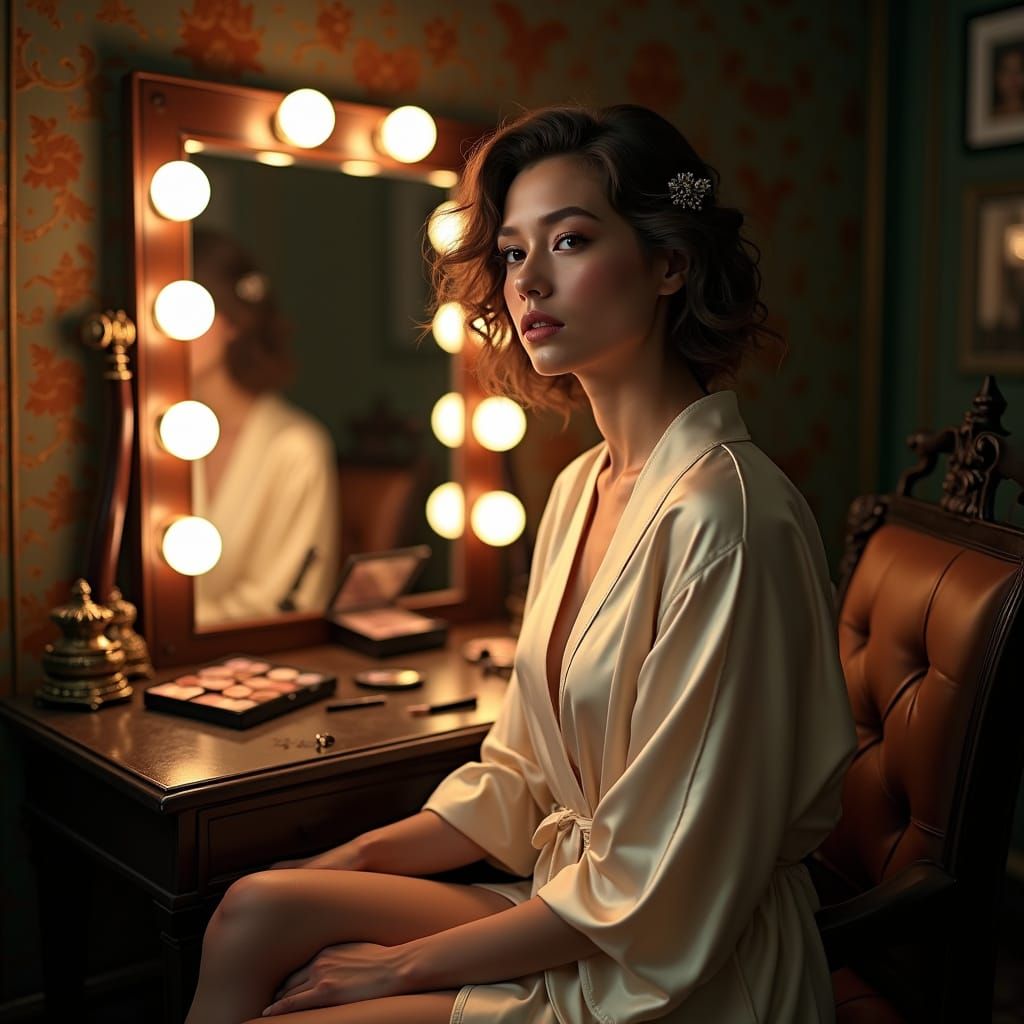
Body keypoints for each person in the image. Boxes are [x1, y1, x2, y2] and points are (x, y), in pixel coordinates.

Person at [184, 105, 856, 1024]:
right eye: (510, 253)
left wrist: (397, 970)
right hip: (581, 905)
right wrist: (353, 863)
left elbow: (661, 883)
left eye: (571, 240)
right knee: (255, 906)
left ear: (670, 264)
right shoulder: (582, 487)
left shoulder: (728, 520)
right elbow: (520, 775)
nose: (528, 281)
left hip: (682, 962)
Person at [189, 229, 339, 625]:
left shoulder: (295, 449)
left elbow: (281, 604)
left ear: (232, 322)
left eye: (189, 309)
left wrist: (173, 625)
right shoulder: (161, 437)